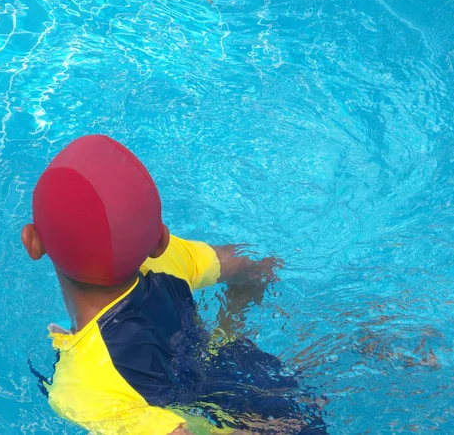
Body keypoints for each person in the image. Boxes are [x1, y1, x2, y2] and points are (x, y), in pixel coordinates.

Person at [22, 135, 326, 434]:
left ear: (33, 243)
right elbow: (252, 264)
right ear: (160, 240)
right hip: (269, 382)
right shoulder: (168, 261)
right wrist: (230, 326)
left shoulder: (81, 388)